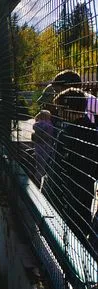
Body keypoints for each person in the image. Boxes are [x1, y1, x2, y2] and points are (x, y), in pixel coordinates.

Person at [51, 88, 98, 257]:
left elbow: (57, 166)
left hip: (67, 192)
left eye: (61, 110)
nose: (60, 114)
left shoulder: (67, 134)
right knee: (82, 227)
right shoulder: (93, 131)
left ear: (68, 109)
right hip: (86, 190)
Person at [32, 109, 54, 183]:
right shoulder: (49, 124)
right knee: (45, 160)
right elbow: (50, 134)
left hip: (38, 144)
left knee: (39, 161)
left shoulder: (37, 124)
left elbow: (35, 128)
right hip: (46, 145)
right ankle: (41, 176)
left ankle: (37, 177)